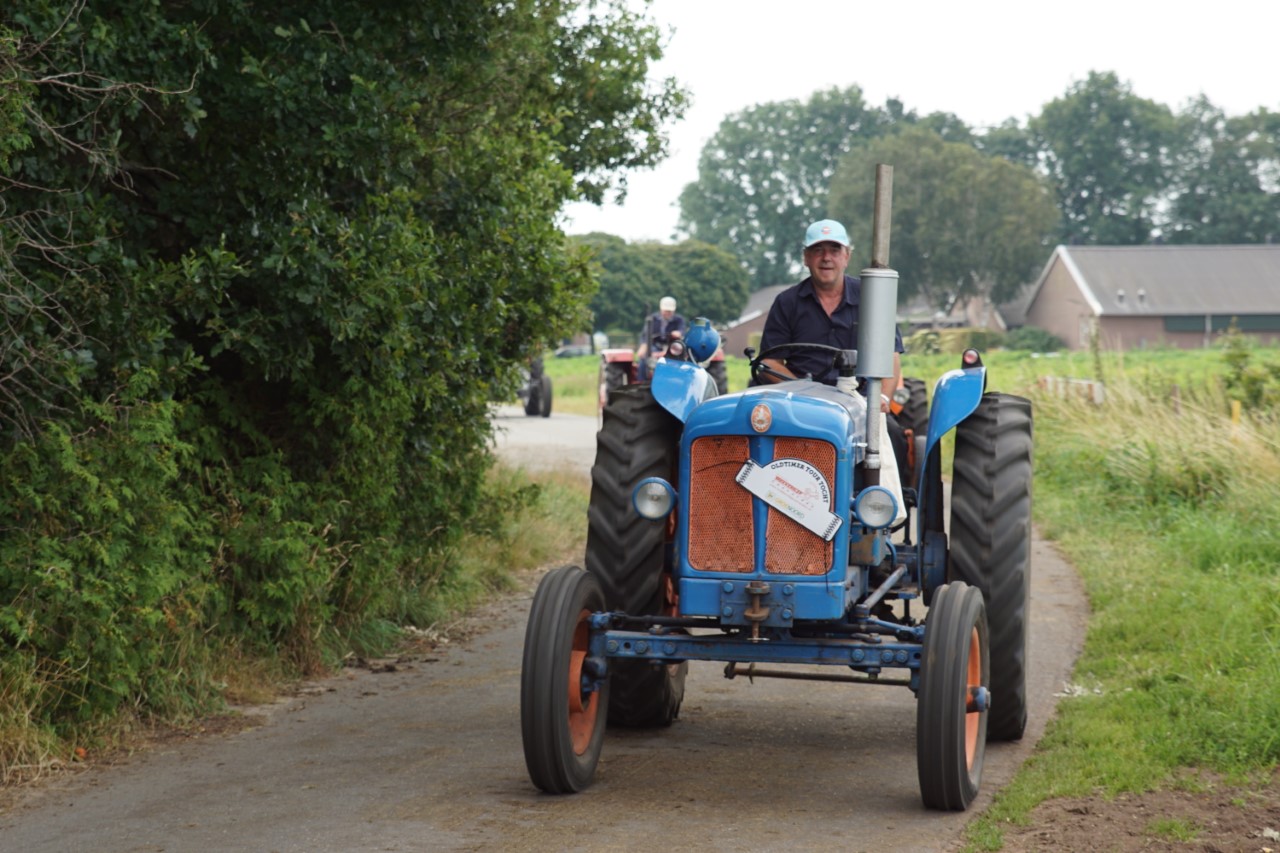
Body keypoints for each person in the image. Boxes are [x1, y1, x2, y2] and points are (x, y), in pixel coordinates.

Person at [757, 219, 909, 477]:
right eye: (818, 250)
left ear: (847, 256)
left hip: (859, 402)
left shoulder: (871, 297)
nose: (826, 258)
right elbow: (770, 362)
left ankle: (883, 499)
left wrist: (882, 399)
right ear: (806, 257)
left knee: (892, 434)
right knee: (759, 432)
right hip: (801, 403)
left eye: (834, 250)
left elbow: (891, 356)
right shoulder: (787, 302)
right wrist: (803, 390)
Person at [635, 296, 686, 381]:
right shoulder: (652, 319)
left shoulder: (679, 320)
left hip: (672, 347)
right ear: (661, 309)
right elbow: (646, 334)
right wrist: (644, 346)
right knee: (643, 360)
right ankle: (642, 382)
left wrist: (678, 333)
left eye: (670, 311)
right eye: (666, 311)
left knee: (681, 360)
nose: (668, 313)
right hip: (655, 346)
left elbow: (682, 330)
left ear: (674, 311)